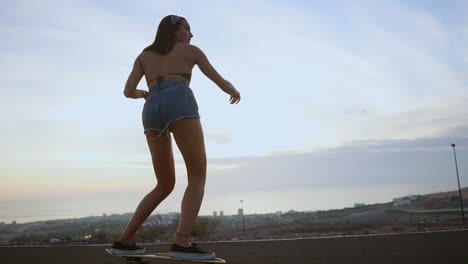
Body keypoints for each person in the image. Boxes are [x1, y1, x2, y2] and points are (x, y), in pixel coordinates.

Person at [110, 15, 240, 260]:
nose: (191, 34)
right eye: (187, 29)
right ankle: (182, 241)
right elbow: (218, 79)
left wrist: (143, 94)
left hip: (150, 109)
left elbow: (128, 91)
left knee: (164, 184)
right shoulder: (190, 51)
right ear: (174, 32)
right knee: (197, 175)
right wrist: (233, 90)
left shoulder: (144, 56)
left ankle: (125, 239)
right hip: (178, 99)